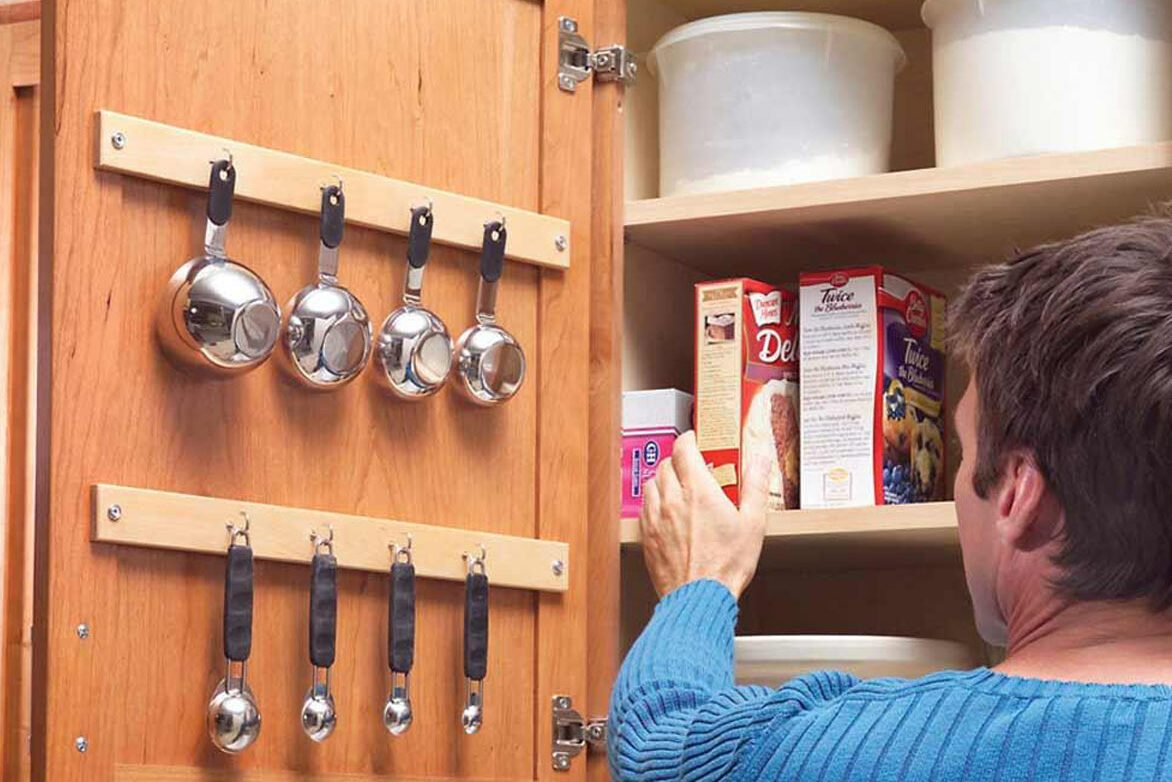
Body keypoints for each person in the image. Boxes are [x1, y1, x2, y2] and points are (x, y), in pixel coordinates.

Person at [609, 217, 1172, 781]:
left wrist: (699, 585)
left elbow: (663, 744)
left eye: (963, 447)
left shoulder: (867, 748)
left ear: (1019, 498)